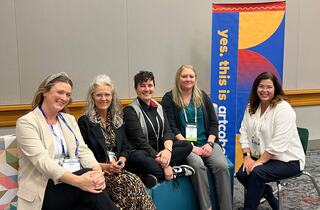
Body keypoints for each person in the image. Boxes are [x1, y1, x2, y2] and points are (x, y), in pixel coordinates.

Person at [15, 72, 119, 210]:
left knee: (91, 194)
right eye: (60, 92)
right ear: (45, 92)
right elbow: (43, 162)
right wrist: (80, 181)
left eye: (68, 94)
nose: (64, 98)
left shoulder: (68, 120)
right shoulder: (27, 122)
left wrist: (97, 172)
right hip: (42, 191)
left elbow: (82, 150)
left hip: (70, 187)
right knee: (88, 180)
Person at [78, 74, 156, 210]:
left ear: (112, 96)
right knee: (130, 183)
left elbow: (125, 146)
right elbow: (83, 155)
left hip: (118, 169)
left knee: (133, 181)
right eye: (99, 95)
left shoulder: (117, 119)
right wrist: (105, 167)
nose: (104, 99)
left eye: (107, 95)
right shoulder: (85, 122)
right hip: (99, 172)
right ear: (92, 97)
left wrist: (121, 160)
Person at [161, 64, 232, 210]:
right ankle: (206, 207)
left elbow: (214, 123)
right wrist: (192, 147)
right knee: (197, 166)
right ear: (178, 78)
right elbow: (172, 127)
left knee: (222, 166)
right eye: (184, 76)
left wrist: (210, 144)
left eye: (191, 76)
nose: (188, 79)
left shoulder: (202, 96)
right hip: (185, 146)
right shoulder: (169, 98)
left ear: (195, 79)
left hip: (206, 142)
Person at [236, 72, 305, 210]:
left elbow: (278, 144)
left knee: (257, 173)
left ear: (275, 89)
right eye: (261, 86)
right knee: (242, 174)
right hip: (263, 157)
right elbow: (243, 132)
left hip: (288, 160)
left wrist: (258, 162)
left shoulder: (283, 109)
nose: (265, 90)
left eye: (269, 87)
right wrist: (247, 157)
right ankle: (266, 192)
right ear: (256, 88)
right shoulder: (251, 107)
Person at [123, 70, 194, 186]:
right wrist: (163, 163)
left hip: (161, 152)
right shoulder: (130, 111)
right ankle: (175, 172)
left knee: (186, 145)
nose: (147, 89)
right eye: (142, 86)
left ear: (154, 87)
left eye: (150, 85)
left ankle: (150, 175)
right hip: (144, 153)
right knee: (137, 157)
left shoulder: (159, 107)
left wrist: (167, 150)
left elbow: (168, 131)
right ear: (136, 89)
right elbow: (139, 142)